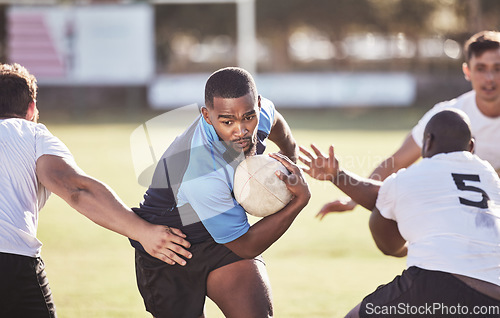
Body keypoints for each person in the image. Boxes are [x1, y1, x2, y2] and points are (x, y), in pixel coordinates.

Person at [0, 63, 192, 318]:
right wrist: (143, 232)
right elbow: (76, 190)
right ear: (32, 108)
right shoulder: (31, 134)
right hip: (11, 258)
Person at [130, 66, 311, 318]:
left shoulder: (259, 115)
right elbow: (246, 245)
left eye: (249, 117)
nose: (241, 130)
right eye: (227, 122)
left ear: (257, 105)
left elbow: (276, 121)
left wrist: (289, 158)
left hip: (223, 239)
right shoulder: (201, 170)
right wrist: (299, 200)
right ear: (207, 115)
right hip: (169, 248)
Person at [300, 109, 500, 317]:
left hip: (436, 282)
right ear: (471, 147)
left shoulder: (411, 177)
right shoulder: (489, 177)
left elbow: (379, 197)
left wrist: (337, 176)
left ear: (428, 141)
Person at [317, 30, 500, 219]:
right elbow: (396, 162)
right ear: (467, 71)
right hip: (459, 214)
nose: (489, 78)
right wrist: (354, 199)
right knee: (382, 218)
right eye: (481, 68)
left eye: (497, 68)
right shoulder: (447, 115)